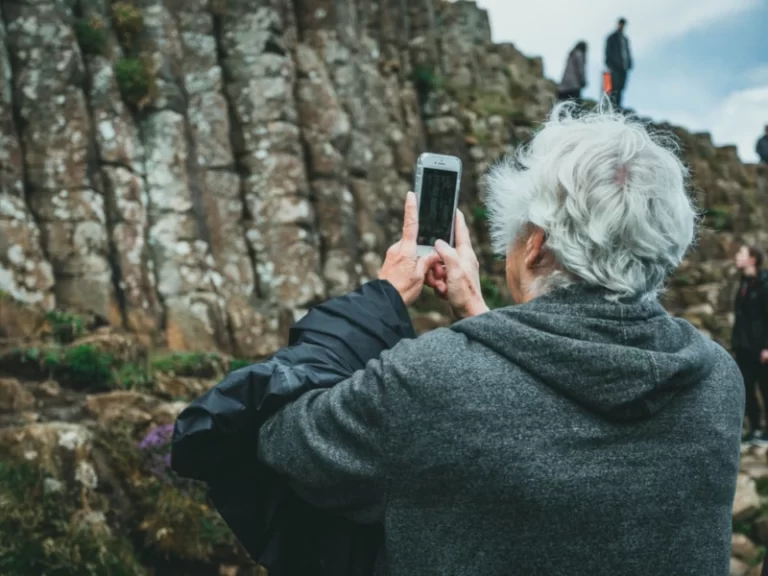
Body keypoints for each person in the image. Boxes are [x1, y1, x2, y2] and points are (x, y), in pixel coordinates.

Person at [248, 102, 744, 576]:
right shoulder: (717, 380)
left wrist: (378, 302)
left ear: (536, 246)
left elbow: (285, 441)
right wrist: (480, 318)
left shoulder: (432, 380)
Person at [732, 244, 768, 443]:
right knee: (746, 387)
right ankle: (754, 428)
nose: (737, 256)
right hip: (744, 347)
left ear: (752, 259)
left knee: (765, 388)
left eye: (741, 253)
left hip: (761, 349)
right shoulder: (744, 283)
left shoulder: (765, 284)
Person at [605, 17, 632, 109]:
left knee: (621, 89)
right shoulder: (612, 37)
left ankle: (618, 108)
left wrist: (629, 64)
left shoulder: (625, 39)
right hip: (614, 67)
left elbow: (627, 52)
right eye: (621, 23)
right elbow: (608, 52)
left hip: (624, 68)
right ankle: (611, 108)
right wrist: (611, 65)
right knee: (613, 89)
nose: (622, 26)